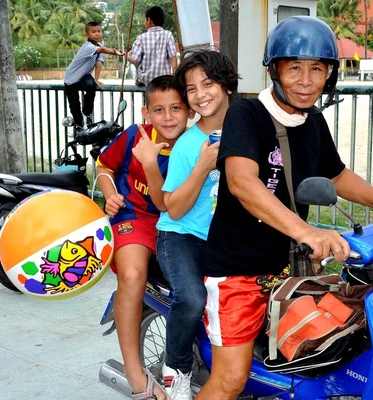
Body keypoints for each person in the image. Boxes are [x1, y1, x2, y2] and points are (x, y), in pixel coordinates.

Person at [196, 16, 373, 400]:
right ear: (275, 70)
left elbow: (337, 175)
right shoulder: (246, 115)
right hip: (237, 273)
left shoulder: (312, 120)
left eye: (317, 68)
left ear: (329, 74)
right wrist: (309, 232)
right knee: (230, 380)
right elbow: (242, 183)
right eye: (294, 67)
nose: (306, 79)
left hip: (289, 271)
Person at [96, 75, 192, 400]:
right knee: (133, 275)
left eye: (176, 108)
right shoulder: (134, 137)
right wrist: (109, 194)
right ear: (145, 112)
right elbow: (104, 166)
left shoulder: (195, 145)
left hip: (177, 220)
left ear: (190, 110)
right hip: (135, 217)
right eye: (159, 109)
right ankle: (134, 370)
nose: (168, 117)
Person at [155, 49, 239, 400]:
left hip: (224, 238)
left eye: (208, 83)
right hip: (181, 235)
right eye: (191, 89)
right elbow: (173, 208)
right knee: (191, 298)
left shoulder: (245, 128)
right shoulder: (189, 145)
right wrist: (204, 166)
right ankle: (176, 371)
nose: (201, 94)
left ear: (227, 85)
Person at [64, 21, 124, 129]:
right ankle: (79, 128)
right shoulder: (88, 47)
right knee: (74, 106)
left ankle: (87, 113)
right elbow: (102, 50)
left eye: (99, 31)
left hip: (83, 76)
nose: (97, 34)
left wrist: (96, 79)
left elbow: (98, 63)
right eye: (93, 32)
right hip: (71, 78)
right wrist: (115, 52)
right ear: (87, 35)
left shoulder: (98, 46)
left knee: (92, 86)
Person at [127, 6, 178, 87]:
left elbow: (135, 60)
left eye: (145, 20)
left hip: (147, 79)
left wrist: (128, 56)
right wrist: (175, 73)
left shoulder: (141, 38)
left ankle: (140, 80)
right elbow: (173, 56)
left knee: (137, 58)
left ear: (149, 20)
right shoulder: (168, 34)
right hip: (163, 79)